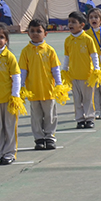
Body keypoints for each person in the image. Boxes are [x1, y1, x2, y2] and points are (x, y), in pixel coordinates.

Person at [19, 18, 65, 151]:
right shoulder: (25, 51)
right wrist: (21, 86)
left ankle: (50, 136)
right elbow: (23, 70)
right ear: (28, 33)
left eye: (38, 31)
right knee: (36, 116)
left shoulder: (49, 50)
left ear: (45, 33)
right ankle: (39, 138)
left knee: (50, 114)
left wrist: (59, 84)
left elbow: (55, 69)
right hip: (33, 90)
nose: (35, 34)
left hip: (48, 89)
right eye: (32, 31)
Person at [64, 10, 100, 129]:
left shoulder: (87, 39)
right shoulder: (68, 40)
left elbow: (94, 55)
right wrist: (64, 70)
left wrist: (96, 69)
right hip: (73, 75)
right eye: (69, 22)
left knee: (88, 99)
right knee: (77, 99)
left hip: (87, 75)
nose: (70, 24)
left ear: (82, 25)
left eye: (74, 22)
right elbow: (67, 57)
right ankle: (79, 119)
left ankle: (89, 118)